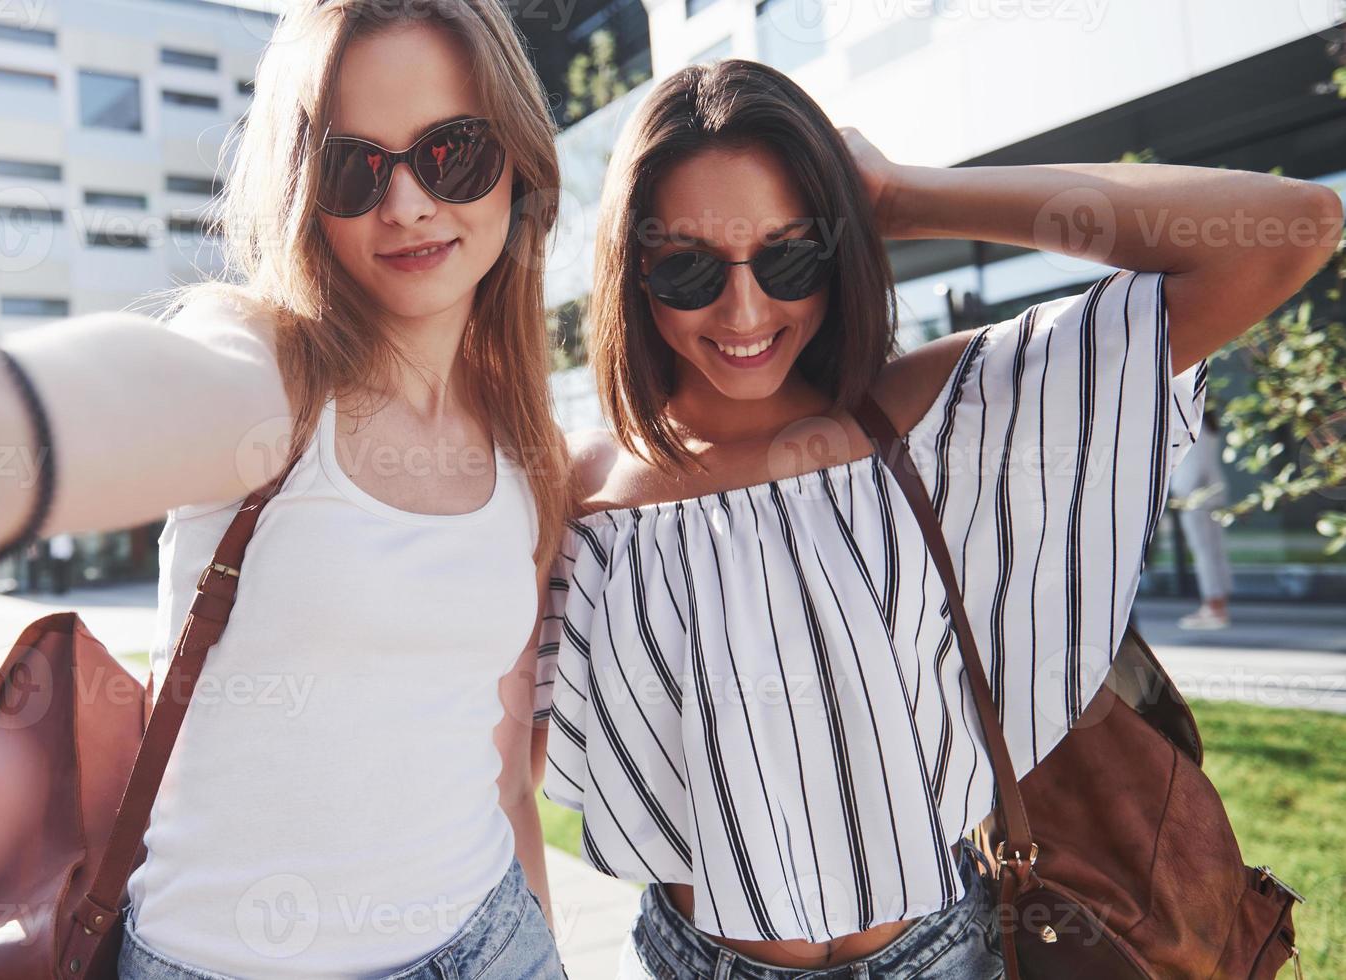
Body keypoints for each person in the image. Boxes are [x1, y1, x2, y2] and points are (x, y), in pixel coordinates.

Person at [535, 59, 1342, 979]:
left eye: (790, 254)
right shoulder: (574, 493)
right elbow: (491, 773)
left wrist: (902, 196)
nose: (744, 308)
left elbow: (1288, 233)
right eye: (686, 266)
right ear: (632, 267)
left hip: (940, 953)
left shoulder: (933, 416)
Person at [0, 1, 571, 977]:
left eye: (451, 152)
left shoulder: (519, 444)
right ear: (303, 190)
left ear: (518, 159)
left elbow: (501, 774)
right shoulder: (268, 371)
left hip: (494, 937)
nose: (408, 203)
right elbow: (131, 393)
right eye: (353, 167)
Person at [1169, 402, 1235, 628]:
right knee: (1213, 549)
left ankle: (1214, 607)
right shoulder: (1208, 426)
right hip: (1211, 492)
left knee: (1204, 551)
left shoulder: (1193, 428)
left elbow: (1193, 467)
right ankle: (1217, 603)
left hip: (1197, 497)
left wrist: (1180, 495)